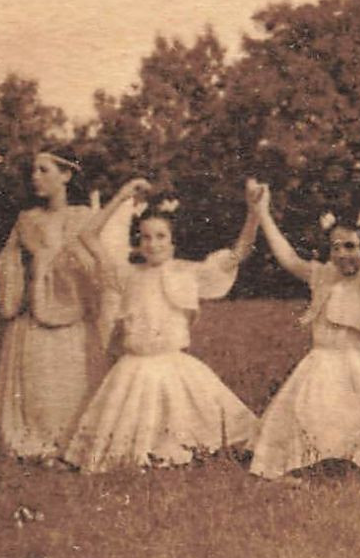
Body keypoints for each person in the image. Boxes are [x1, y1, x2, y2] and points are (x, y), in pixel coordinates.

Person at [60, 178, 261, 472]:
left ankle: (183, 455)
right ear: (137, 243)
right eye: (145, 237)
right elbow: (87, 236)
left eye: (160, 237)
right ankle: (148, 457)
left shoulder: (186, 273)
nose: (152, 244)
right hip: (133, 367)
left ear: (173, 241)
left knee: (196, 421)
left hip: (173, 364)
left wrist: (254, 212)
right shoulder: (126, 274)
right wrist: (121, 196)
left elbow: (238, 253)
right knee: (126, 432)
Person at [247, 184, 360, 478]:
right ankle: (314, 466)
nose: (343, 254)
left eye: (351, 246)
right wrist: (263, 212)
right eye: (335, 247)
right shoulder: (323, 276)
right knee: (311, 415)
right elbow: (288, 258)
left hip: (356, 366)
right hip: (318, 363)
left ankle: (348, 466)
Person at [0, 150, 106, 459]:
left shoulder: (83, 217)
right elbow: (7, 261)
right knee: (36, 385)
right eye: (33, 171)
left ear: (66, 175)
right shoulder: (27, 220)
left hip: (72, 314)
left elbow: (98, 263)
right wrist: (26, 268)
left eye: (44, 170)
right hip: (34, 313)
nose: (35, 178)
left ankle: (70, 440)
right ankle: (36, 440)